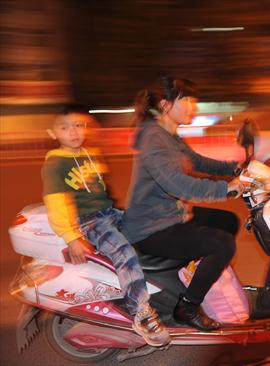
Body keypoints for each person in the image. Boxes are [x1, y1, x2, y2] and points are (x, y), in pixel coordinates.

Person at [121, 76, 244, 331]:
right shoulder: (154, 138)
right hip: (151, 228)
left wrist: (237, 169)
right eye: (187, 100)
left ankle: (195, 275)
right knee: (222, 244)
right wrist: (226, 189)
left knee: (228, 221)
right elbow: (176, 184)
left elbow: (198, 162)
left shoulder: (169, 134)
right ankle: (187, 307)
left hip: (169, 216)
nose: (193, 107)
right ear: (166, 105)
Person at [42, 104, 170, 346]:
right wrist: (72, 238)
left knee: (150, 225)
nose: (73, 132)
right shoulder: (56, 163)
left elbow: (104, 191)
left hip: (109, 213)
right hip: (89, 221)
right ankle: (140, 312)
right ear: (53, 133)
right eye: (65, 127)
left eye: (79, 125)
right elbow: (56, 203)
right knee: (124, 252)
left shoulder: (91, 153)